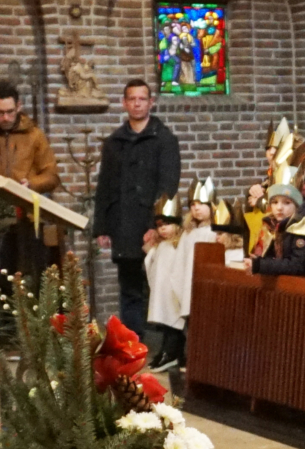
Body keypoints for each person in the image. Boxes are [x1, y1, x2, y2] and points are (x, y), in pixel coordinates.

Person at [91, 78, 183, 336]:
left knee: (161, 286)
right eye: (131, 99)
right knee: (130, 288)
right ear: (124, 103)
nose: (137, 103)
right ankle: (133, 345)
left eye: (142, 98)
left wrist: (157, 225)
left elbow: (168, 187)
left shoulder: (164, 140)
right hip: (123, 225)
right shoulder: (114, 143)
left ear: (151, 102)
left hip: (154, 225)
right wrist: (102, 226)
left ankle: (165, 346)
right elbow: (105, 187)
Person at [0, 79, 61, 288]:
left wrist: (32, 183)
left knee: (30, 280)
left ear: (19, 107)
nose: (6, 118)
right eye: (0, 113)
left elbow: (52, 175)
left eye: (10, 111)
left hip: (27, 218)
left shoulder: (33, 136)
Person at [142, 185, 218, 370]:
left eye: (201, 204)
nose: (196, 208)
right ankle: (185, 355)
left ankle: (199, 360)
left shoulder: (214, 232)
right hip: (183, 284)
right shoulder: (188, 233)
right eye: (193, 204)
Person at [248, 184, 305, 278]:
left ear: (296, 206)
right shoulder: (271, 226)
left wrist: (261, 265)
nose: (279, 208)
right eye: (275, 202)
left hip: (299, 286)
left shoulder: (300, 228)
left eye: (287, 203)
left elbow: (299, 265)